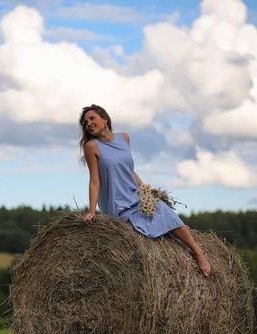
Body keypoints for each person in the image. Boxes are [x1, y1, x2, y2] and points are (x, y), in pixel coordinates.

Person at [79, 104, 212, 277]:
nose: (88, 123)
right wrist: (91, 212)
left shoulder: (124, 138)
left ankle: (198, 252)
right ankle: (169, 229)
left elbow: (128, 170)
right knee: (139, 229)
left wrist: (145, 189)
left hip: (134, 194)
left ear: (105, 119)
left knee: (163, 209)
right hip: (117, 203)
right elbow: (94, 182)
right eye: (85, 122)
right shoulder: (92, 146)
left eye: (92, 118)